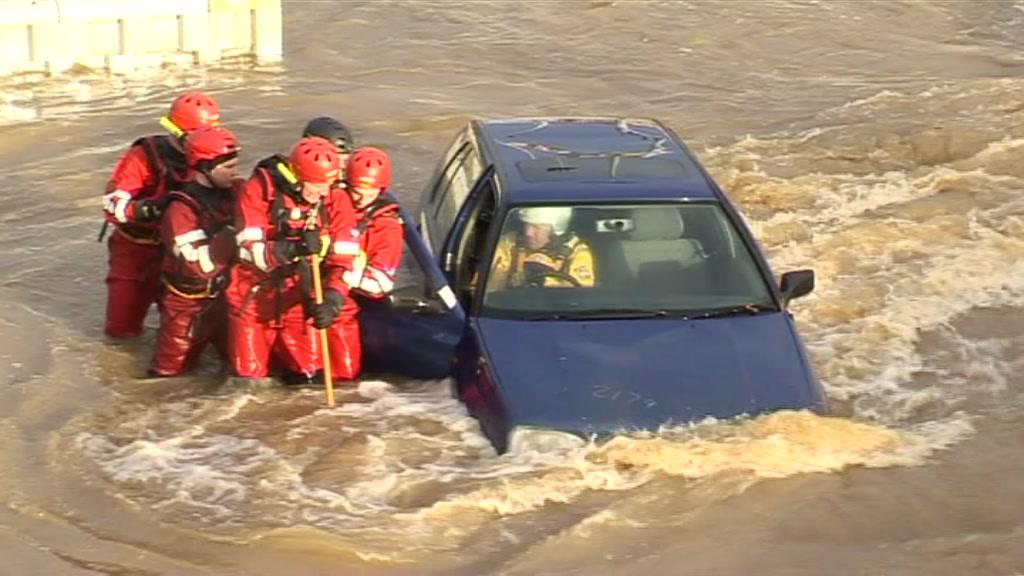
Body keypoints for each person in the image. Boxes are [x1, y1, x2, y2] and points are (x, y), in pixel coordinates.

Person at [228, 137, 359, 384]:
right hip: (254, 297)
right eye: (318, 185)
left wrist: (333, 298)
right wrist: (291, 248)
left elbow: (347, 258)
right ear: (297, 179)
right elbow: (247, 250)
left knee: (308, 379)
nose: (324, 192)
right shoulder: (259, 191)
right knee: (248, 384)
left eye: (329, 184)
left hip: (300, 296)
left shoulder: (336, 199)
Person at [101, 91, 222, 338]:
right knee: (121, 327)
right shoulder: (145, 155)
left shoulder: (215, 156)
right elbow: (112, 204)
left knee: (187, 327)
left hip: (181, 252)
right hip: (137, 249)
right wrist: (153, 208)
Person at [149, 126, 241, 377]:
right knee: (169, 374)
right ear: (204, 167)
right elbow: (201, 266)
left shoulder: (235, 191)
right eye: (229, 167)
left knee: (234, 366)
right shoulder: (180, 211)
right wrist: (232, 232)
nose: (236, 172)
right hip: (187, 304)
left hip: (225, 298)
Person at [326, 146, 404, 379]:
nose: (360, 199)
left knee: (345, 376)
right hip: (312, 295)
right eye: (356, 191)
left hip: (346, 306)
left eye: (369, 193)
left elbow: (381, 284)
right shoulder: (333, 204)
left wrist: (340, 272)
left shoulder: (387, 227)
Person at [488, 207, 595, 289]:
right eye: (527, 225)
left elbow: (582, 293)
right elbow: (490, 288)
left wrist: (545, 281)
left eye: (536, 227)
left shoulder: (577, 252)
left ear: (555, 231)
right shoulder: (509, 244)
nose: (528, 232)